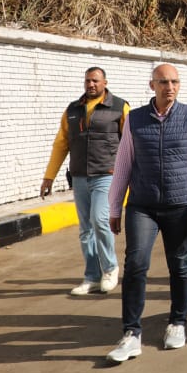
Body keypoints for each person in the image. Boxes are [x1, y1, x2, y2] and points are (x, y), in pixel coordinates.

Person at [105, 64, 187, 363]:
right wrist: (114, 206)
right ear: (152, 85)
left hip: (181, 205)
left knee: (179, 264)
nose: (170, 87)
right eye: (163, 82)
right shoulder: (135, 118)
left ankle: (177, 322)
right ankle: (131, 334)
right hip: (142, 205)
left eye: (174, 82)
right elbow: (124, 164)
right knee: (135, 264)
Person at [41, 67, 129, 296]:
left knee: (100, 220)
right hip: (80, 176)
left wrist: (133, 175)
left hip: (107, 174)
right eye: (88, 81)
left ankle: (110, 269)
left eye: (95, 81)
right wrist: (49, 176)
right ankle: (91, 276)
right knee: (86, 229)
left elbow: (131, 142)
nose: (91, 84)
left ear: (105, 83)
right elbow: (61, 143)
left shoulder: (119, 107)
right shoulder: (73, 110)